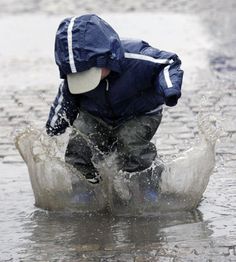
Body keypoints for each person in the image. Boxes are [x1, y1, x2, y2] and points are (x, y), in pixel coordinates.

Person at [46, 14, 184, 186]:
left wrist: (170, 88)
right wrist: (55, 125)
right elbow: (66, 97)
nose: (84, 79)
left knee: (130, 141)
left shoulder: (136, 58)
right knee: (78, 143)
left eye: (89, 73)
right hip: (95, 114)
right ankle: (86, 185)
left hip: (139, 114)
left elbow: (168, 63)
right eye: (78, 76)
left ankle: (146, 181)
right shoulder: (72, 76)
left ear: (106, 57)